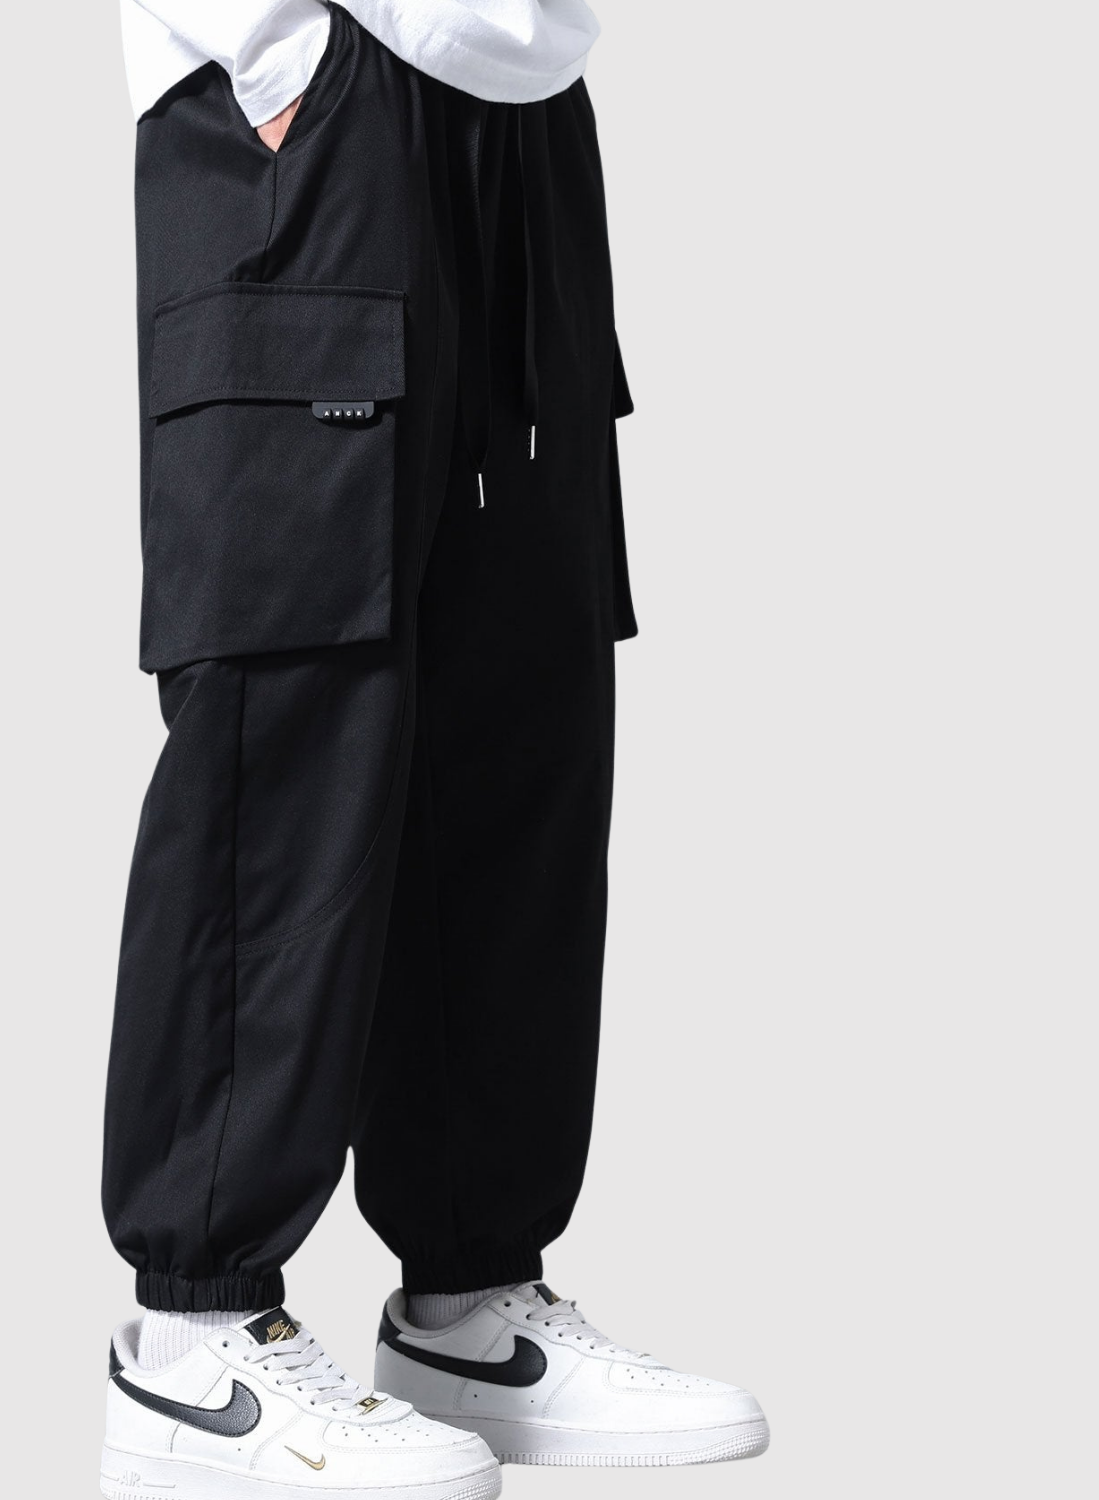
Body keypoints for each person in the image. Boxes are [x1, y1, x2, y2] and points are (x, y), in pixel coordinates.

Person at [101, 4, 768, 1493]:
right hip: (309, 102)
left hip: (524, 110)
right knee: (288, 721)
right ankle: (192, 1337)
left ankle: (471, 1301)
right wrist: (274, 53)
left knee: (517, 706)